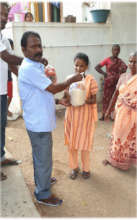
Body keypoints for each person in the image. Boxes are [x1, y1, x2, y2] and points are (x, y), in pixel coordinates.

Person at [18, 31, 83, 206]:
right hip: (38, 124)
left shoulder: (34, 64)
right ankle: (43, 193)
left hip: (40, 121)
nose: (38, 49)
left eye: (39, 45)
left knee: (42, 157)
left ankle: (43, 181)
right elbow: (52, 88)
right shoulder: (29, 68)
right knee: (43, 157)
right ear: (23, 49)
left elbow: (39, 93)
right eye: (33, 46)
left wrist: (58, 101)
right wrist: (72, 80)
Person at [60, 53, 98, 179]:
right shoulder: (70, 79)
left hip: (85, 117)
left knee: (84, 144)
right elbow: (65, 95)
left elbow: (93, 100)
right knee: (72, 144)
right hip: (72, 116)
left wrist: (82, 100)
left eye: (81, 66)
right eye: (76, 65)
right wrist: (67, 98)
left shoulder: (90, 80)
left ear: (86, 67)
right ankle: (74, 167)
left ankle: (86, 169)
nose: (78, 68)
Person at [0, 2, 23, 181]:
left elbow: (11, 64)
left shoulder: (3, 37)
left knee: (2, 126)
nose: (4, 19)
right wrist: (31, 60)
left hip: (1, 91)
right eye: (0, 14)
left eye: (6, 16)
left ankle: (1, 157)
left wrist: (26, 77)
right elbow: (6, 57)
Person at [103, 52, 137, 170]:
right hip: (120, 113)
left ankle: (124, 163)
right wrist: (108, 110)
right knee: (117, 135)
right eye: (130, 61)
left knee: (128, 138)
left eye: (135, 62)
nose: (132, 64)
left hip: (133, 116)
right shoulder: (123, 77)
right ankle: (113, 159)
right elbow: (116, 94)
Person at [95, 44, 127, 121]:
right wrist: (104, 74)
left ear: (119, 51)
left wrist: (120, 72)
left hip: (116, 83)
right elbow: (97, 67)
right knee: (106, 98)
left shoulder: (120, 61)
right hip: (108, 83)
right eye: (114, 50)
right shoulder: (107, 60)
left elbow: (125, 68)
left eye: (117, 50)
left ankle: (112, 116)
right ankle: (103, 115)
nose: (116, 51)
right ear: (112, 51)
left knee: (114, 99)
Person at [7, 38, 19, 121]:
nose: (12, 48)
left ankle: (6, 110)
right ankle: (5, 111)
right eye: (11, 46)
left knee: (10, 96)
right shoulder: (4, 55)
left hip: (9, 78)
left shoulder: (10, 55)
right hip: (4, 79)